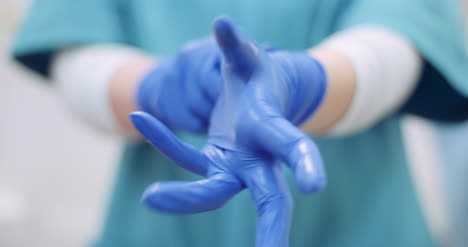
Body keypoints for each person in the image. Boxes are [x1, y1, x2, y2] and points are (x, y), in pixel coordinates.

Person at [12, 0, 468, 246]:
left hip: (360, 225)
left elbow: (399, 38)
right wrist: (160, 88)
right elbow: (77, 49)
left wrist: (304, 84)